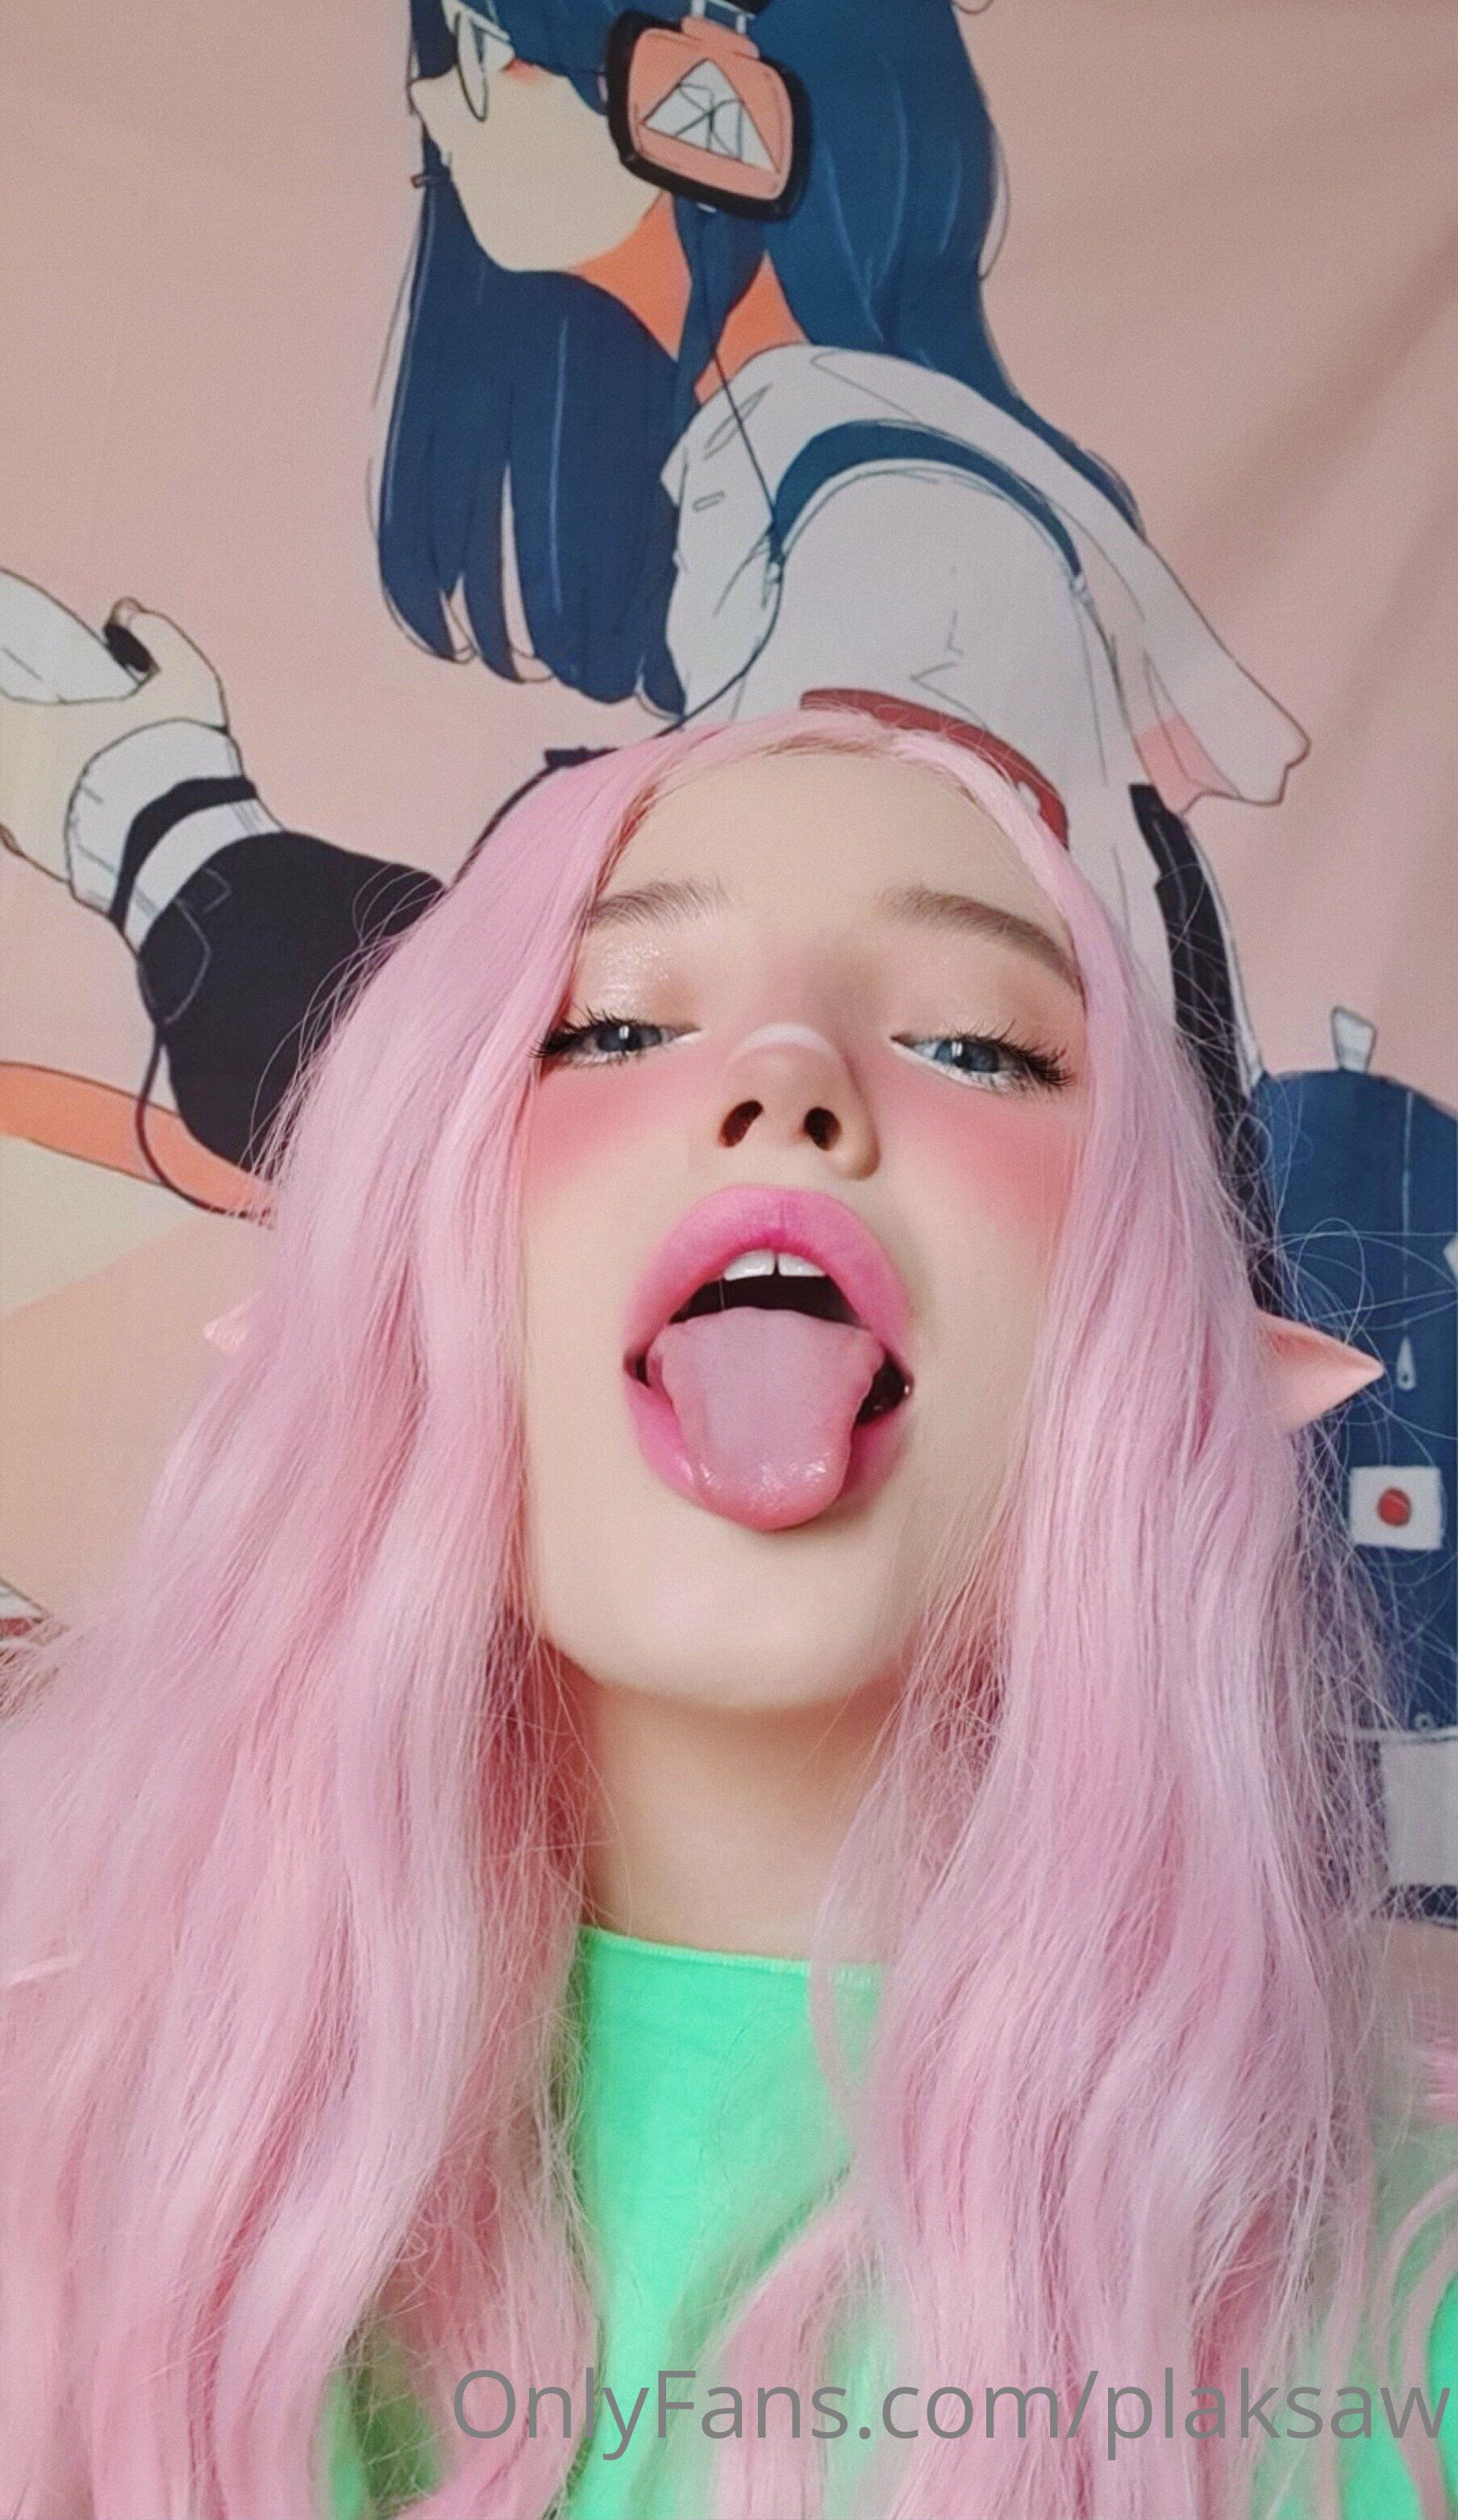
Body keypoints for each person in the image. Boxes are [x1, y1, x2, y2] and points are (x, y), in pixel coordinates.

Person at [0, 709, 1450, 2520]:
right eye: (609, 1028)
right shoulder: (55, 2159)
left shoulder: (1400, 2296)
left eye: (976, 1046)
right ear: (396, 1278)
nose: (788, 1080)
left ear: (1148, 1346)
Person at [0, 0, 1298, 1212]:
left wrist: (158, 821)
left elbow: (701, 1113)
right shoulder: (812, 497)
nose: (438, 102)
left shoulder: (904, 541)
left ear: (710, 111)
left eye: (488, 52)